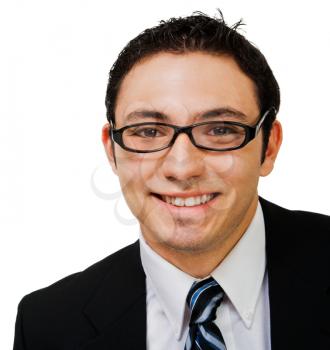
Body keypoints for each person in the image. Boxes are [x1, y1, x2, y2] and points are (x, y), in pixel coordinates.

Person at [13, 10, 330, 350]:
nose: (182, 168)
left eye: (221, 130)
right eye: (148, 131)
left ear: (269, 147)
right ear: (112, 151)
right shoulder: (47, 325)